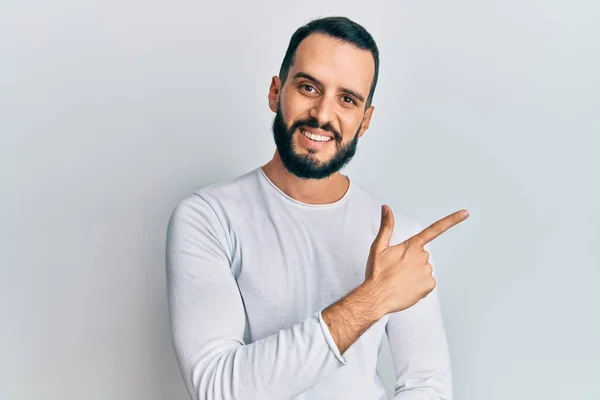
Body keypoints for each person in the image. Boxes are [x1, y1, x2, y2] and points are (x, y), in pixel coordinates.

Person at [166, 16, 469, 400]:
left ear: (365, 121)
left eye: (347, 99)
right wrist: (372, 298)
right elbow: (218, 389)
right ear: (276, 92)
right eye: (309, 87)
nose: (323, 115)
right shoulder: (207, 218)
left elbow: (427, 386)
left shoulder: (401, 237)